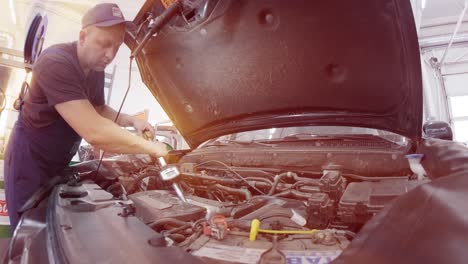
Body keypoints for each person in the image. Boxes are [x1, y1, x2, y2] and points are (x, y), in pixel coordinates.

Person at [4, 3, 168, 232]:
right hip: (30, 164)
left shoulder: (96, 69)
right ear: (83, 36)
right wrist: (151, 148)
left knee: (54, 227)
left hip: (57, 162)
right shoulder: (56, 62)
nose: (110, 54)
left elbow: (99, 110)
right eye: (104, 44)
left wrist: (132, 121)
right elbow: (94, 131)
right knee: (29, 233)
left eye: (117, 46)